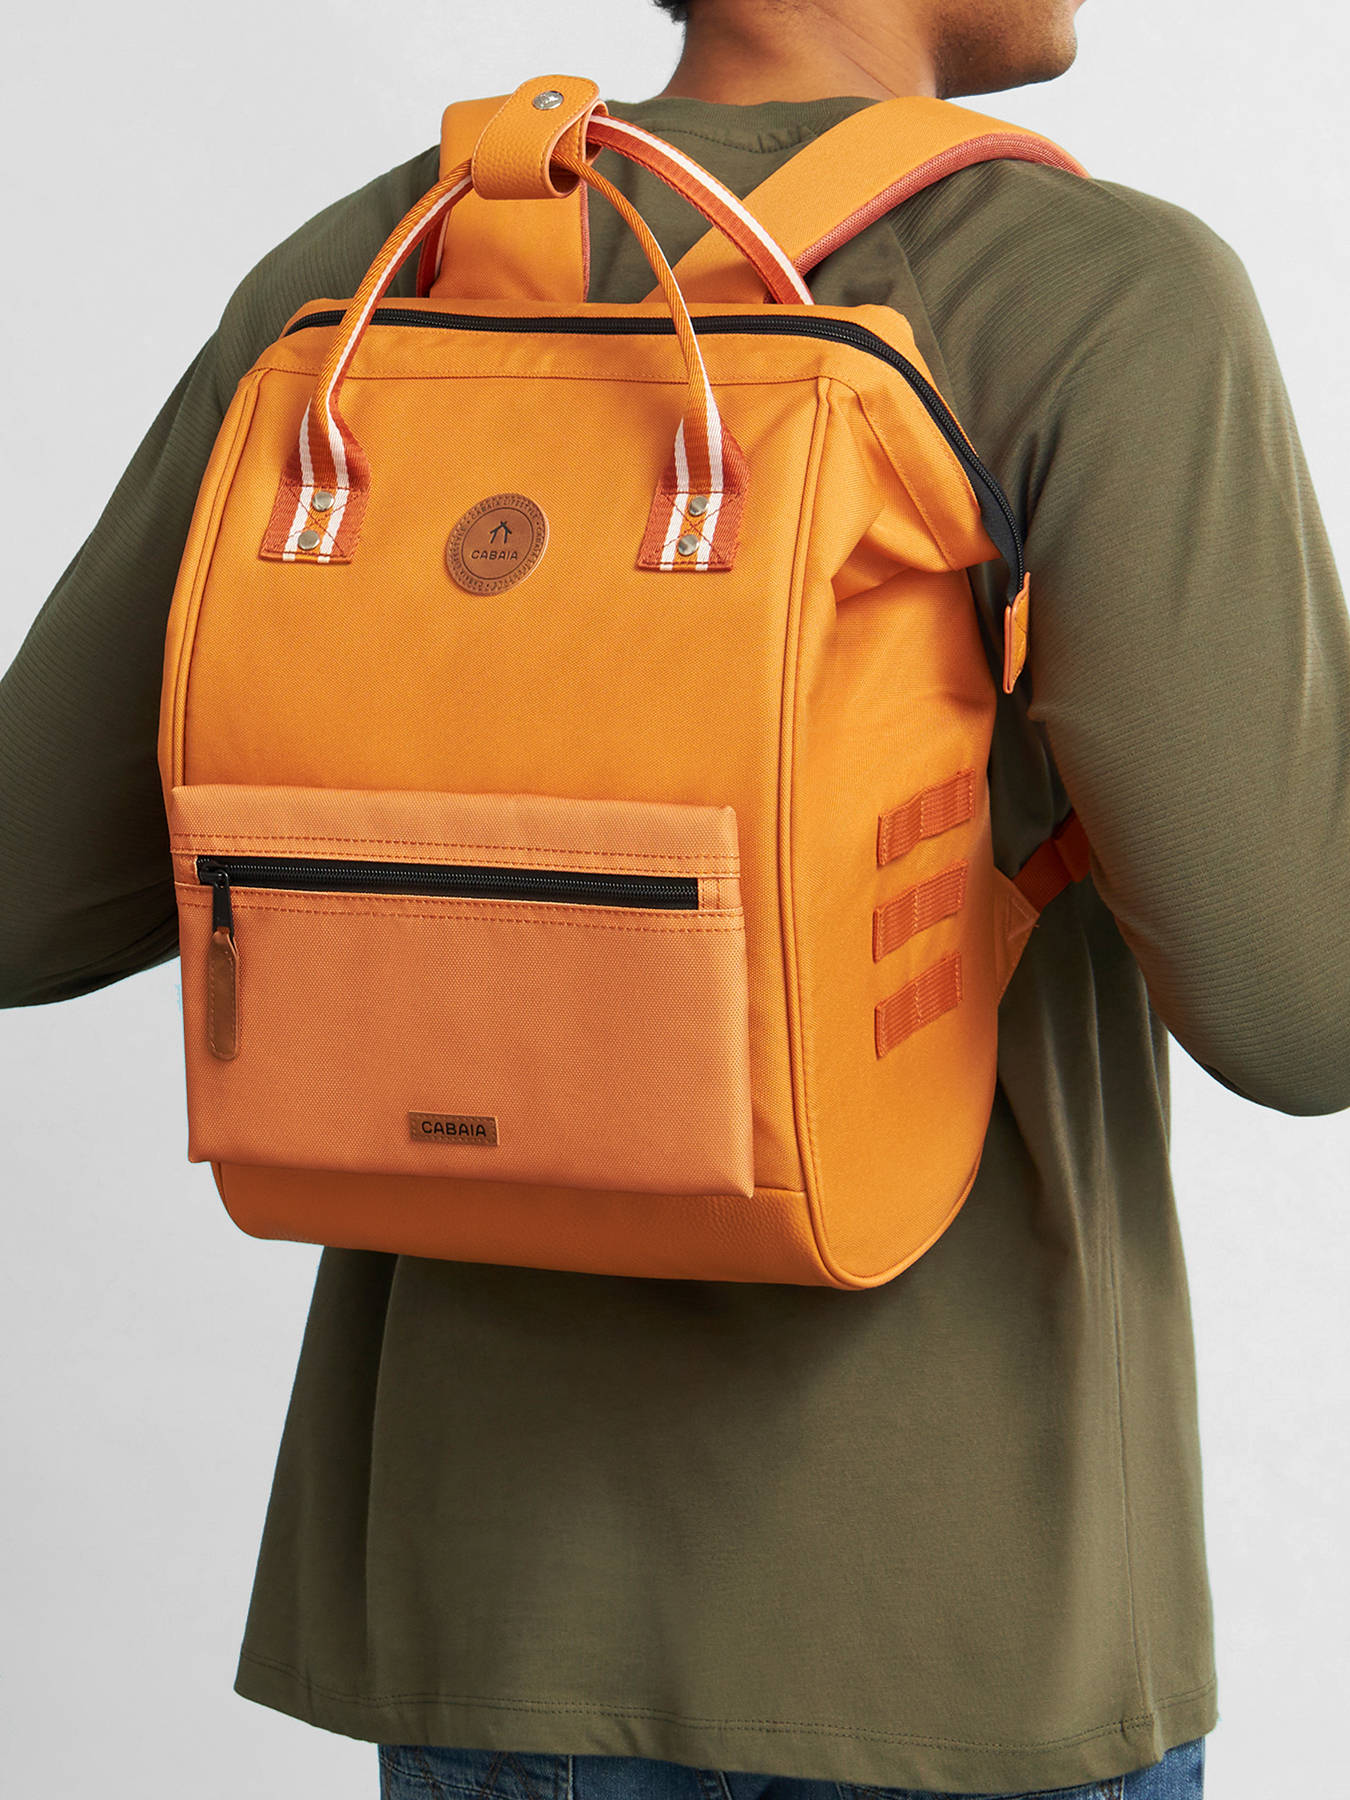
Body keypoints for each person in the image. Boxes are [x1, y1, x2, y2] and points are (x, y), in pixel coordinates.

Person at [3, 0, 1347, 1795]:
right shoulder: (1098, 296)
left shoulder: (376, 273)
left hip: (490, 1623)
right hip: (969, 1624)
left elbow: (28, 893)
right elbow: (1301, 1010)